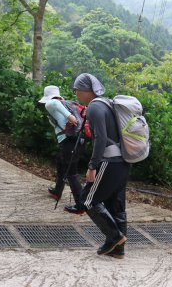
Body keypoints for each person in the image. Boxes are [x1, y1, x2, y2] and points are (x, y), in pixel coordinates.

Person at [73, 73, 128, 258]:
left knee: (87, 200)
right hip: (123, 161)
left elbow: (100, 139)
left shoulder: (94, 107)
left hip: (109, 161)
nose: (76, 93)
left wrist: (92, 166)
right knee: (116, 205)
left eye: (77, 89)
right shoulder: (107, 103)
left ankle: (114, 237)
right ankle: (118, 251)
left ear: (86, 91)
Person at [40, 85, 85, 214]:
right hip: (76, 141)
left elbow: (53, 102)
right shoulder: (66, 104)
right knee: (60, 161)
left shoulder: (52, 104)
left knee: (71, 173)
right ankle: (57, 191)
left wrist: (69, 116)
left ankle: (81, 205)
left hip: (69, 142)